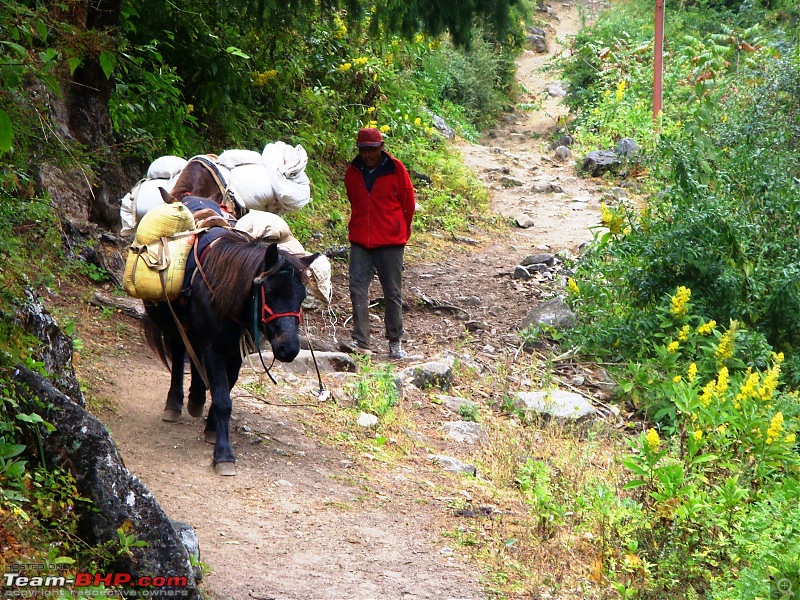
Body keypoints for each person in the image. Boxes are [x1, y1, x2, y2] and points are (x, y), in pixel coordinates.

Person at [343, 127, 416, 359]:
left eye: (372, 150)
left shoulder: (396, 169)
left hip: (390, 241)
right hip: (360, 242)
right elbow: (354, 200)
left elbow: (409, 203)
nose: (367, 155)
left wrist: (401, 229)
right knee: (357, 289)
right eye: (363, 150)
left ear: (381, 148)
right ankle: (361, 342)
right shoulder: (352, 172)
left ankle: (395, 341)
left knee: (392, 292)